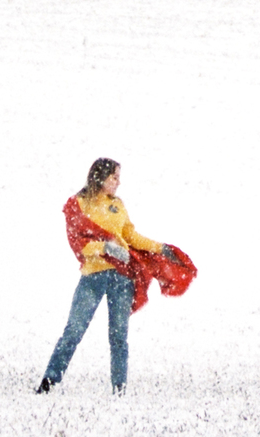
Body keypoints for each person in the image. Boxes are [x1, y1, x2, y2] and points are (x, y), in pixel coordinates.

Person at [36, 157, 170, 395]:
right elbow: (78, 243)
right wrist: (104, 248)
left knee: (119, 335)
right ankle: (49, 382)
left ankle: (119, 389)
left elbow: (130, 237)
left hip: (122, 276)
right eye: (114, 177)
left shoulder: (118, 204)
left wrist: (160, 248)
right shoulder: (79, 204)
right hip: (93, 277)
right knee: (74, 330)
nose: (118, 182)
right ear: (100, 177)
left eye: (119, 177)